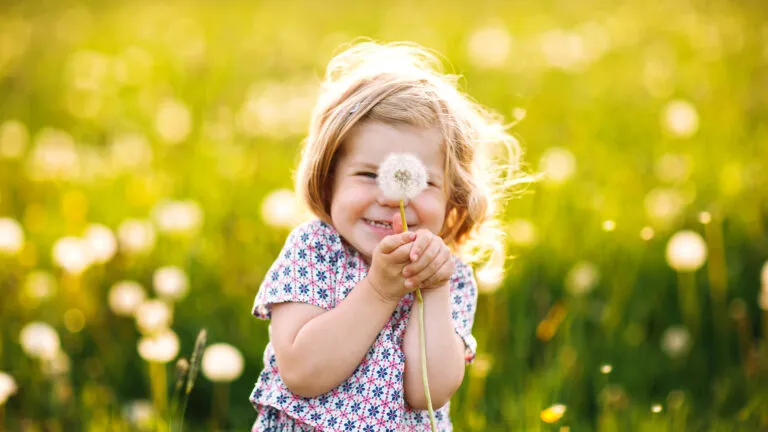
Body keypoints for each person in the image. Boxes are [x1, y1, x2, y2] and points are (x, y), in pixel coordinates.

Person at [249, 40, 523, 431]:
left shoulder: (448, 276)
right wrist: (380, 291)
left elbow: (428, 392)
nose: (392, 196)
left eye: (420, 180)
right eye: (367, 174)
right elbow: (302, 373)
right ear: (329, 180)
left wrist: (430, 291)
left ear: (452, 197)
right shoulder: (315, 250)